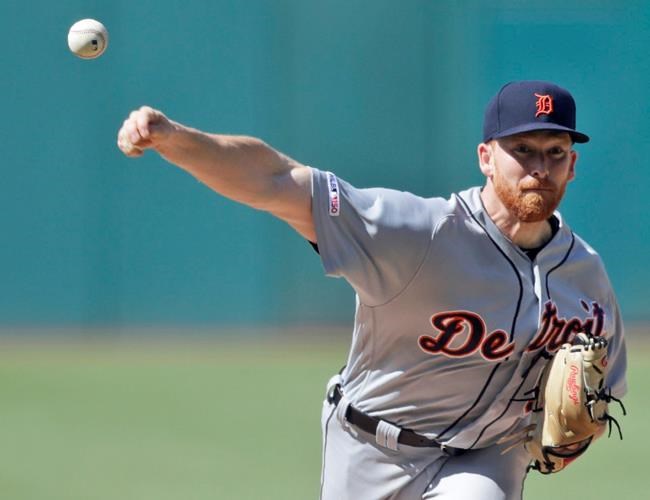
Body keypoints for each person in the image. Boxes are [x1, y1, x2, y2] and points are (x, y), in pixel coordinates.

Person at [117, 80, 627, 499]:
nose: (540, 167)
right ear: (486, 158)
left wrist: (580, 432)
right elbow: (280, 180)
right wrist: (175, 139)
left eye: (555, 152)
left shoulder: (586, 276)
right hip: (370, 444)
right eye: (522, 150)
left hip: (485, 457)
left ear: (573, 165)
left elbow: (601, 392)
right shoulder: (419, 233)